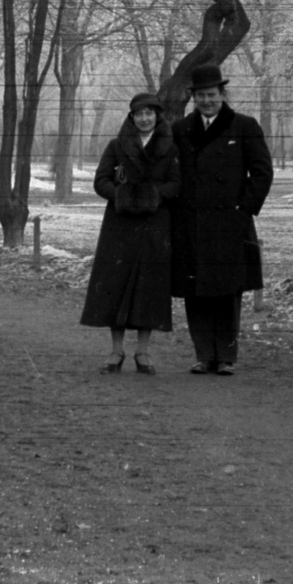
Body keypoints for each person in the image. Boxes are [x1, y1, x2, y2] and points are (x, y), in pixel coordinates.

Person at [170, 62, 273, 376]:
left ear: (222, 94)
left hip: (231, 225)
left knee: (229, 291)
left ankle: (226, 358)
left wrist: (243, 210)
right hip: (192, 225)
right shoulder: (180, 129)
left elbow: (262, 172)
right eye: (200, 95)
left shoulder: (244, 126)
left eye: (212, 94)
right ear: (193, 97)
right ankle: (204, 355)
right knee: (196, 289)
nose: (206, 101)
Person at [80, 91, 180, 374]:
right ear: (131, 117)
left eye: (150, 113)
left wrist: (151, 196)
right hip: (119, 226)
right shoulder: (116, 145)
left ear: (157, 116)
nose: (145, 118)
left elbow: (176, 185)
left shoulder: (171, 148)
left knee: (149, 287)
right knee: (117, 285)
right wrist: (122, 196)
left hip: (154, 226)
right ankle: (115, 351)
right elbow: (100, 181)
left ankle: (143, 352)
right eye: (139, 114)